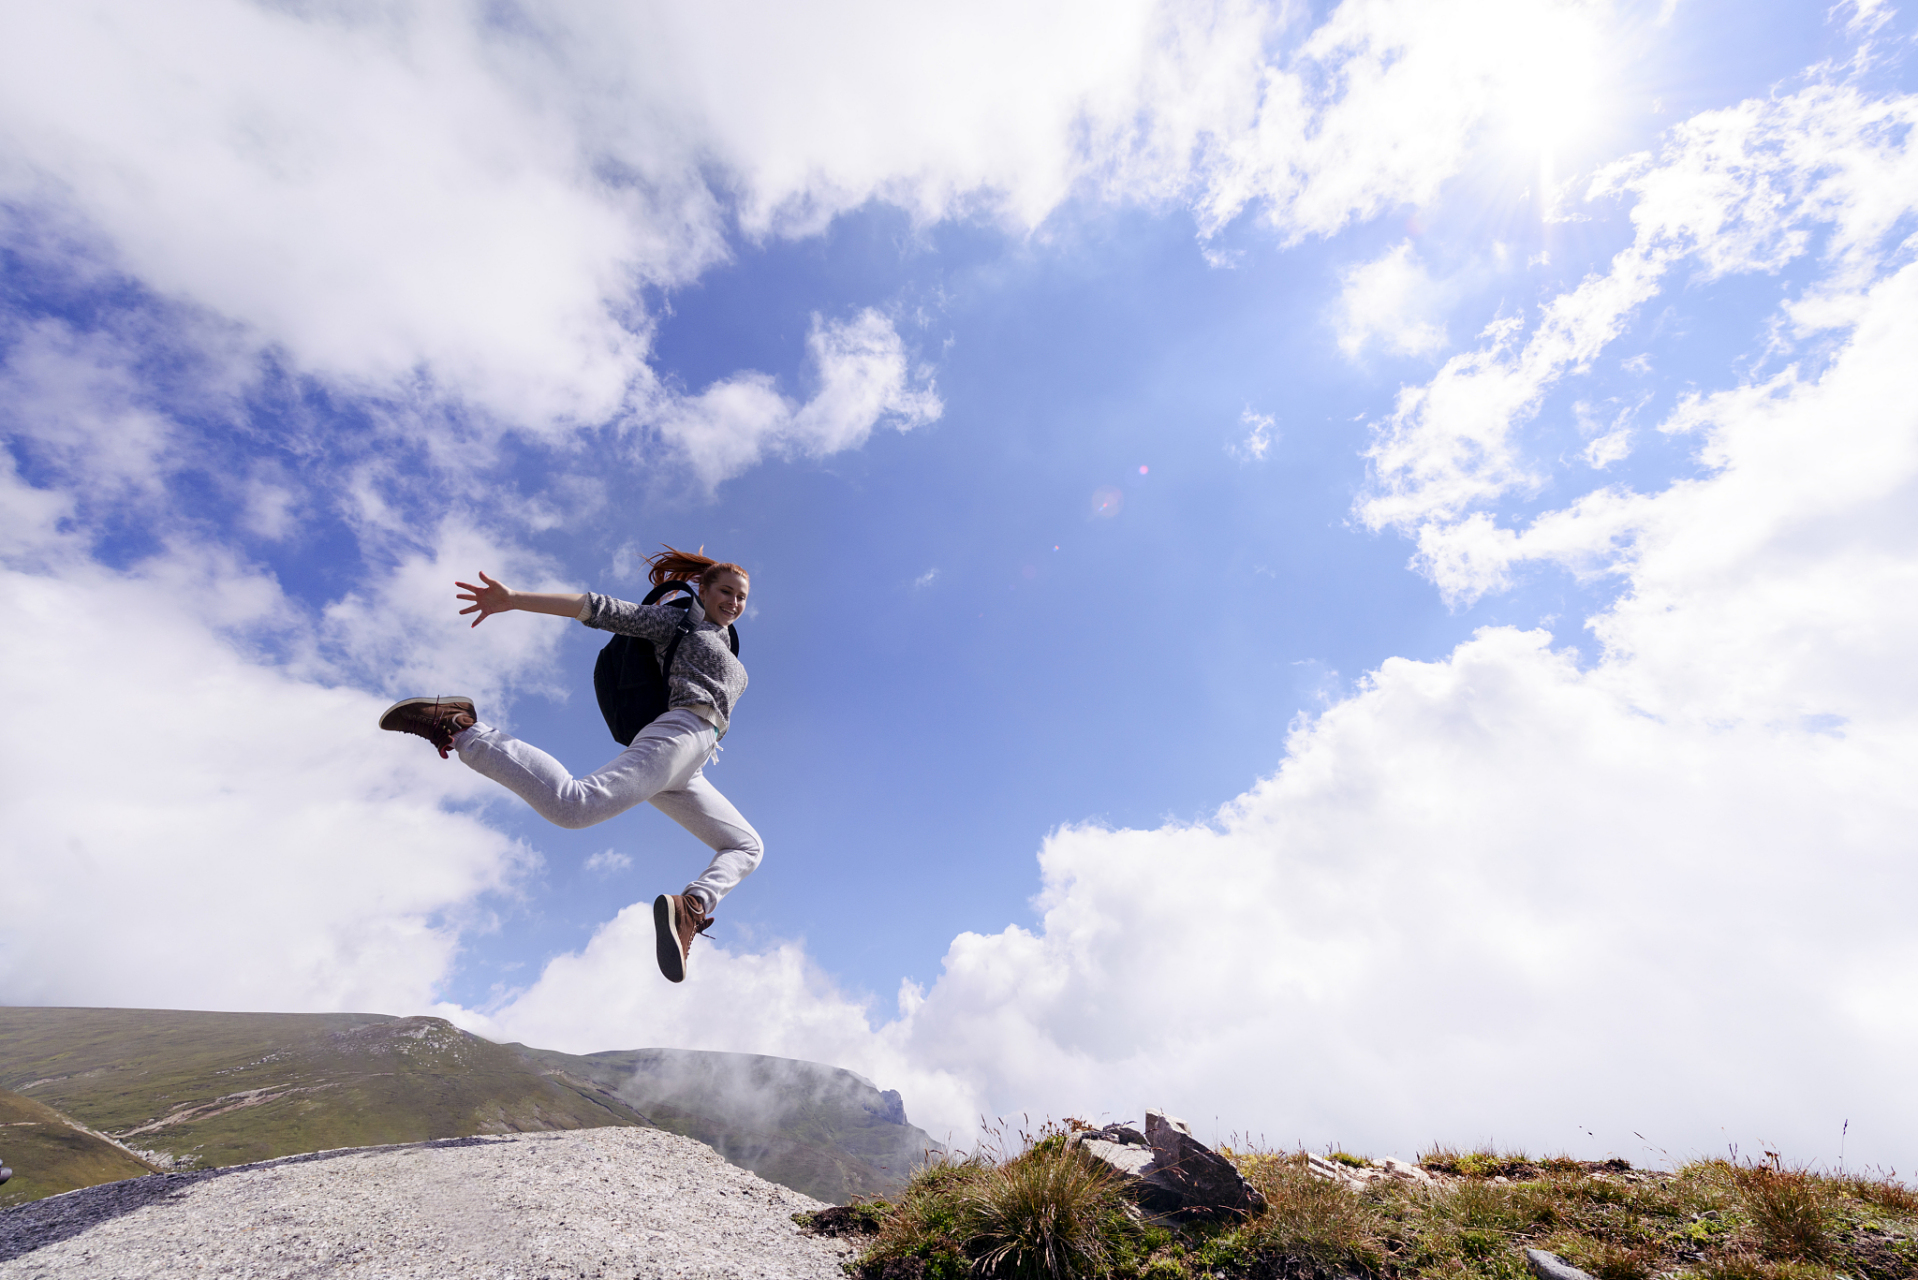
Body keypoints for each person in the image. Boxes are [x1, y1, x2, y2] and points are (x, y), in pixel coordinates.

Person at [377, 547, 760, 983]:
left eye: (742, 597)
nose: (734, 602)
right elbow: (599, 608)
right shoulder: (679, 622)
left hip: (692, 760)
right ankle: (460, 727)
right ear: (703, 591)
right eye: (725, 591)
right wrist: (515, 598)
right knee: (573, 807)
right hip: (679, 731)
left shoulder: (727, 641)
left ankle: (690, 908)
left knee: (746, 846)